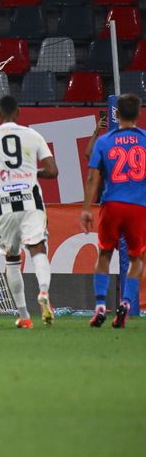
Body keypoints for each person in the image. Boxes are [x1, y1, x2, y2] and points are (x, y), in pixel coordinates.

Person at [0, 95, 58, 328]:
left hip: (4, 203)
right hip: (31, 201)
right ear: (18, 113)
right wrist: (32, 173)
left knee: (11, 259)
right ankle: (43, 292)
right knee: (38, 249)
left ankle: (24, 316)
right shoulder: (33, 135)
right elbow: (52, 171)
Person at [81, 93, 146, 329]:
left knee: (105, 254)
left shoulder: (105, 141)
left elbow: (92, 177)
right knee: (137, 259)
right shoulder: (145, 139)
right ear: (138, 114)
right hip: (139, 206)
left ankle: (100, 306)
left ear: (116, 114)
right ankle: (126, 303)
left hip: (112, 204)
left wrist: (87, 208)